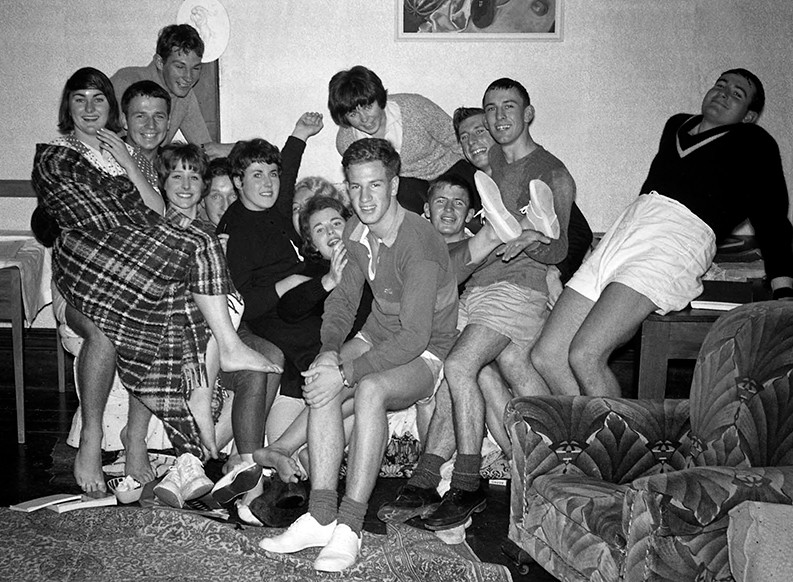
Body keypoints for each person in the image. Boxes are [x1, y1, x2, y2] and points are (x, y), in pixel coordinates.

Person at [31, 67, 277, 494]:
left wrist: (129, 171)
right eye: (79, 99)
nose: (89, 107)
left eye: (98, 99)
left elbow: (153, 211)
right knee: (196, 242)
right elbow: (88, 216)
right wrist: (139, 219)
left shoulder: (131, 156)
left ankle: (170, 438)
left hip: (138, 266)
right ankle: (96, 437)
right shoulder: (57, 156)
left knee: (172, 306)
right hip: (92, 265)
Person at [258, 138, 458, 572]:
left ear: (394, 185)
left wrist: (349, 372)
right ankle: (321, 516)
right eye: (355, 186)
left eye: (375, 185)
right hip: (375, 335)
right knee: (321, 375)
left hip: (427, 351)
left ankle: (350, 525)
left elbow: (415, 337)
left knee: (367, 389)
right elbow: (344, 301)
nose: (364, 198)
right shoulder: (354, 230)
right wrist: (330, 353)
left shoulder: (419, 245)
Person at [531, 68, 793, 398]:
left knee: (585, 354)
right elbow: (654, 187)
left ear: (749, 116)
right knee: (547, 356)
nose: (723, 93)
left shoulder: (754, 142)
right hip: (627, 229)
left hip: (676, 240)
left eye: (737, 94)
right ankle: (593, 429)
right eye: (720, 84)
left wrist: (784, 290)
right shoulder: (677, 125)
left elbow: (772, 218)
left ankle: (618, 433)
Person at [413, 78, 576, 533]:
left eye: (508, 108)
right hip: (481, 288)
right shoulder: (494, 166)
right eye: (491, 109)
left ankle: (467, 485)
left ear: (528, 113)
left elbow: (565, 243)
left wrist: (540, 250)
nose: (498, 118)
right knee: (472, 373)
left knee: (462, 365)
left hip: (517, 289)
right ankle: (434, 476)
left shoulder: (552, 172)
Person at [217, 113, 324, 414]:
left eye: (272, 174)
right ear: (238, 181)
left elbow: (287, 177)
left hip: (302, 297)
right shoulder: (236, 231)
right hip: (274, 317)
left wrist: (300, 134)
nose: (268, 183)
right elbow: (242, 305)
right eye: (257, 175)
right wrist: (289, 283)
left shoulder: (269, 207)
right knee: (326, 355)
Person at [452, 106, 593, 286]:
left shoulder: (531, 175)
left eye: (479, 131)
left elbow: (579, 231)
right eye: (464, 137)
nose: (472, 141)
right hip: (483, 284)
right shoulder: (464, 189)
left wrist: (555, 272)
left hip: (532, 280)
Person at [328, 65, 464, 214]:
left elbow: (457, 139)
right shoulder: (347, 142)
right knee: (396, 204)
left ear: (379, 99)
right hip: (408, 187)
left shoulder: (415, 107)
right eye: (353, 114)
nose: (364, 119)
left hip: (449, 170)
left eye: (368, 107)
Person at [111, 24, 234, 159]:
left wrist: (235, 148)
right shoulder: (126, 81)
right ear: (160, 62)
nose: (188, 77)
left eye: (196, 68)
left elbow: (204, 148)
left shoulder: (184, 95)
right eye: (180, 67)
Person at [120, 80, 171, 167]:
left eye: (159, 117)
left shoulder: (174, 166)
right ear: (125, 120)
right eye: (141, 116)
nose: (151, 125)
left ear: (168, 122)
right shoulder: (104, 161)